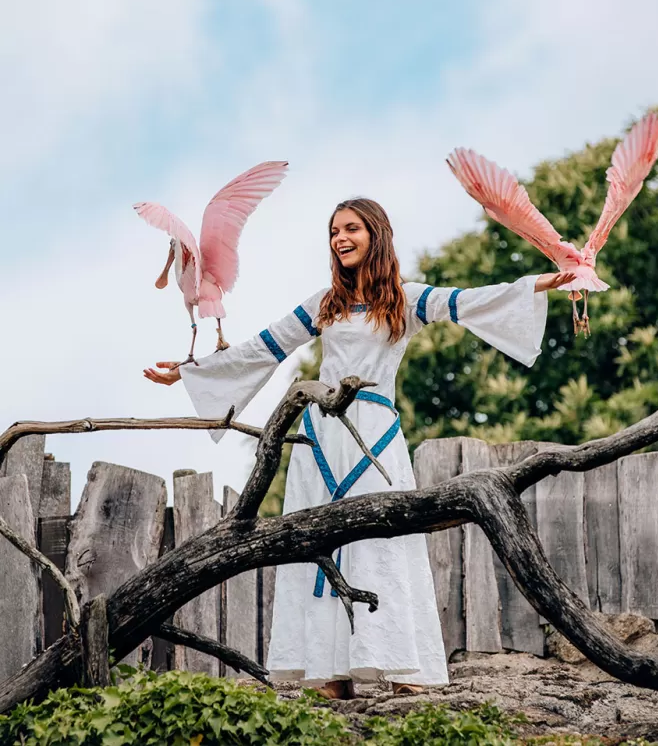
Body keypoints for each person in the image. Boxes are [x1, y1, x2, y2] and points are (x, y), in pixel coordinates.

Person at [144, 197, 575, 699]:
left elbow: (467, 301)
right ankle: (328, 672)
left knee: (383, 540)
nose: (340, 239)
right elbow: (264, 347)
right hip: (320, 438)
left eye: (350, 229)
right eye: (333, 232)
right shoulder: (323, 304)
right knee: (312, 543)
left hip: (376, 434)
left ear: (375, 234)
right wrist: (188, 371)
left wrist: (541, 284)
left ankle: (399, 665)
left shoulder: (407, 300)